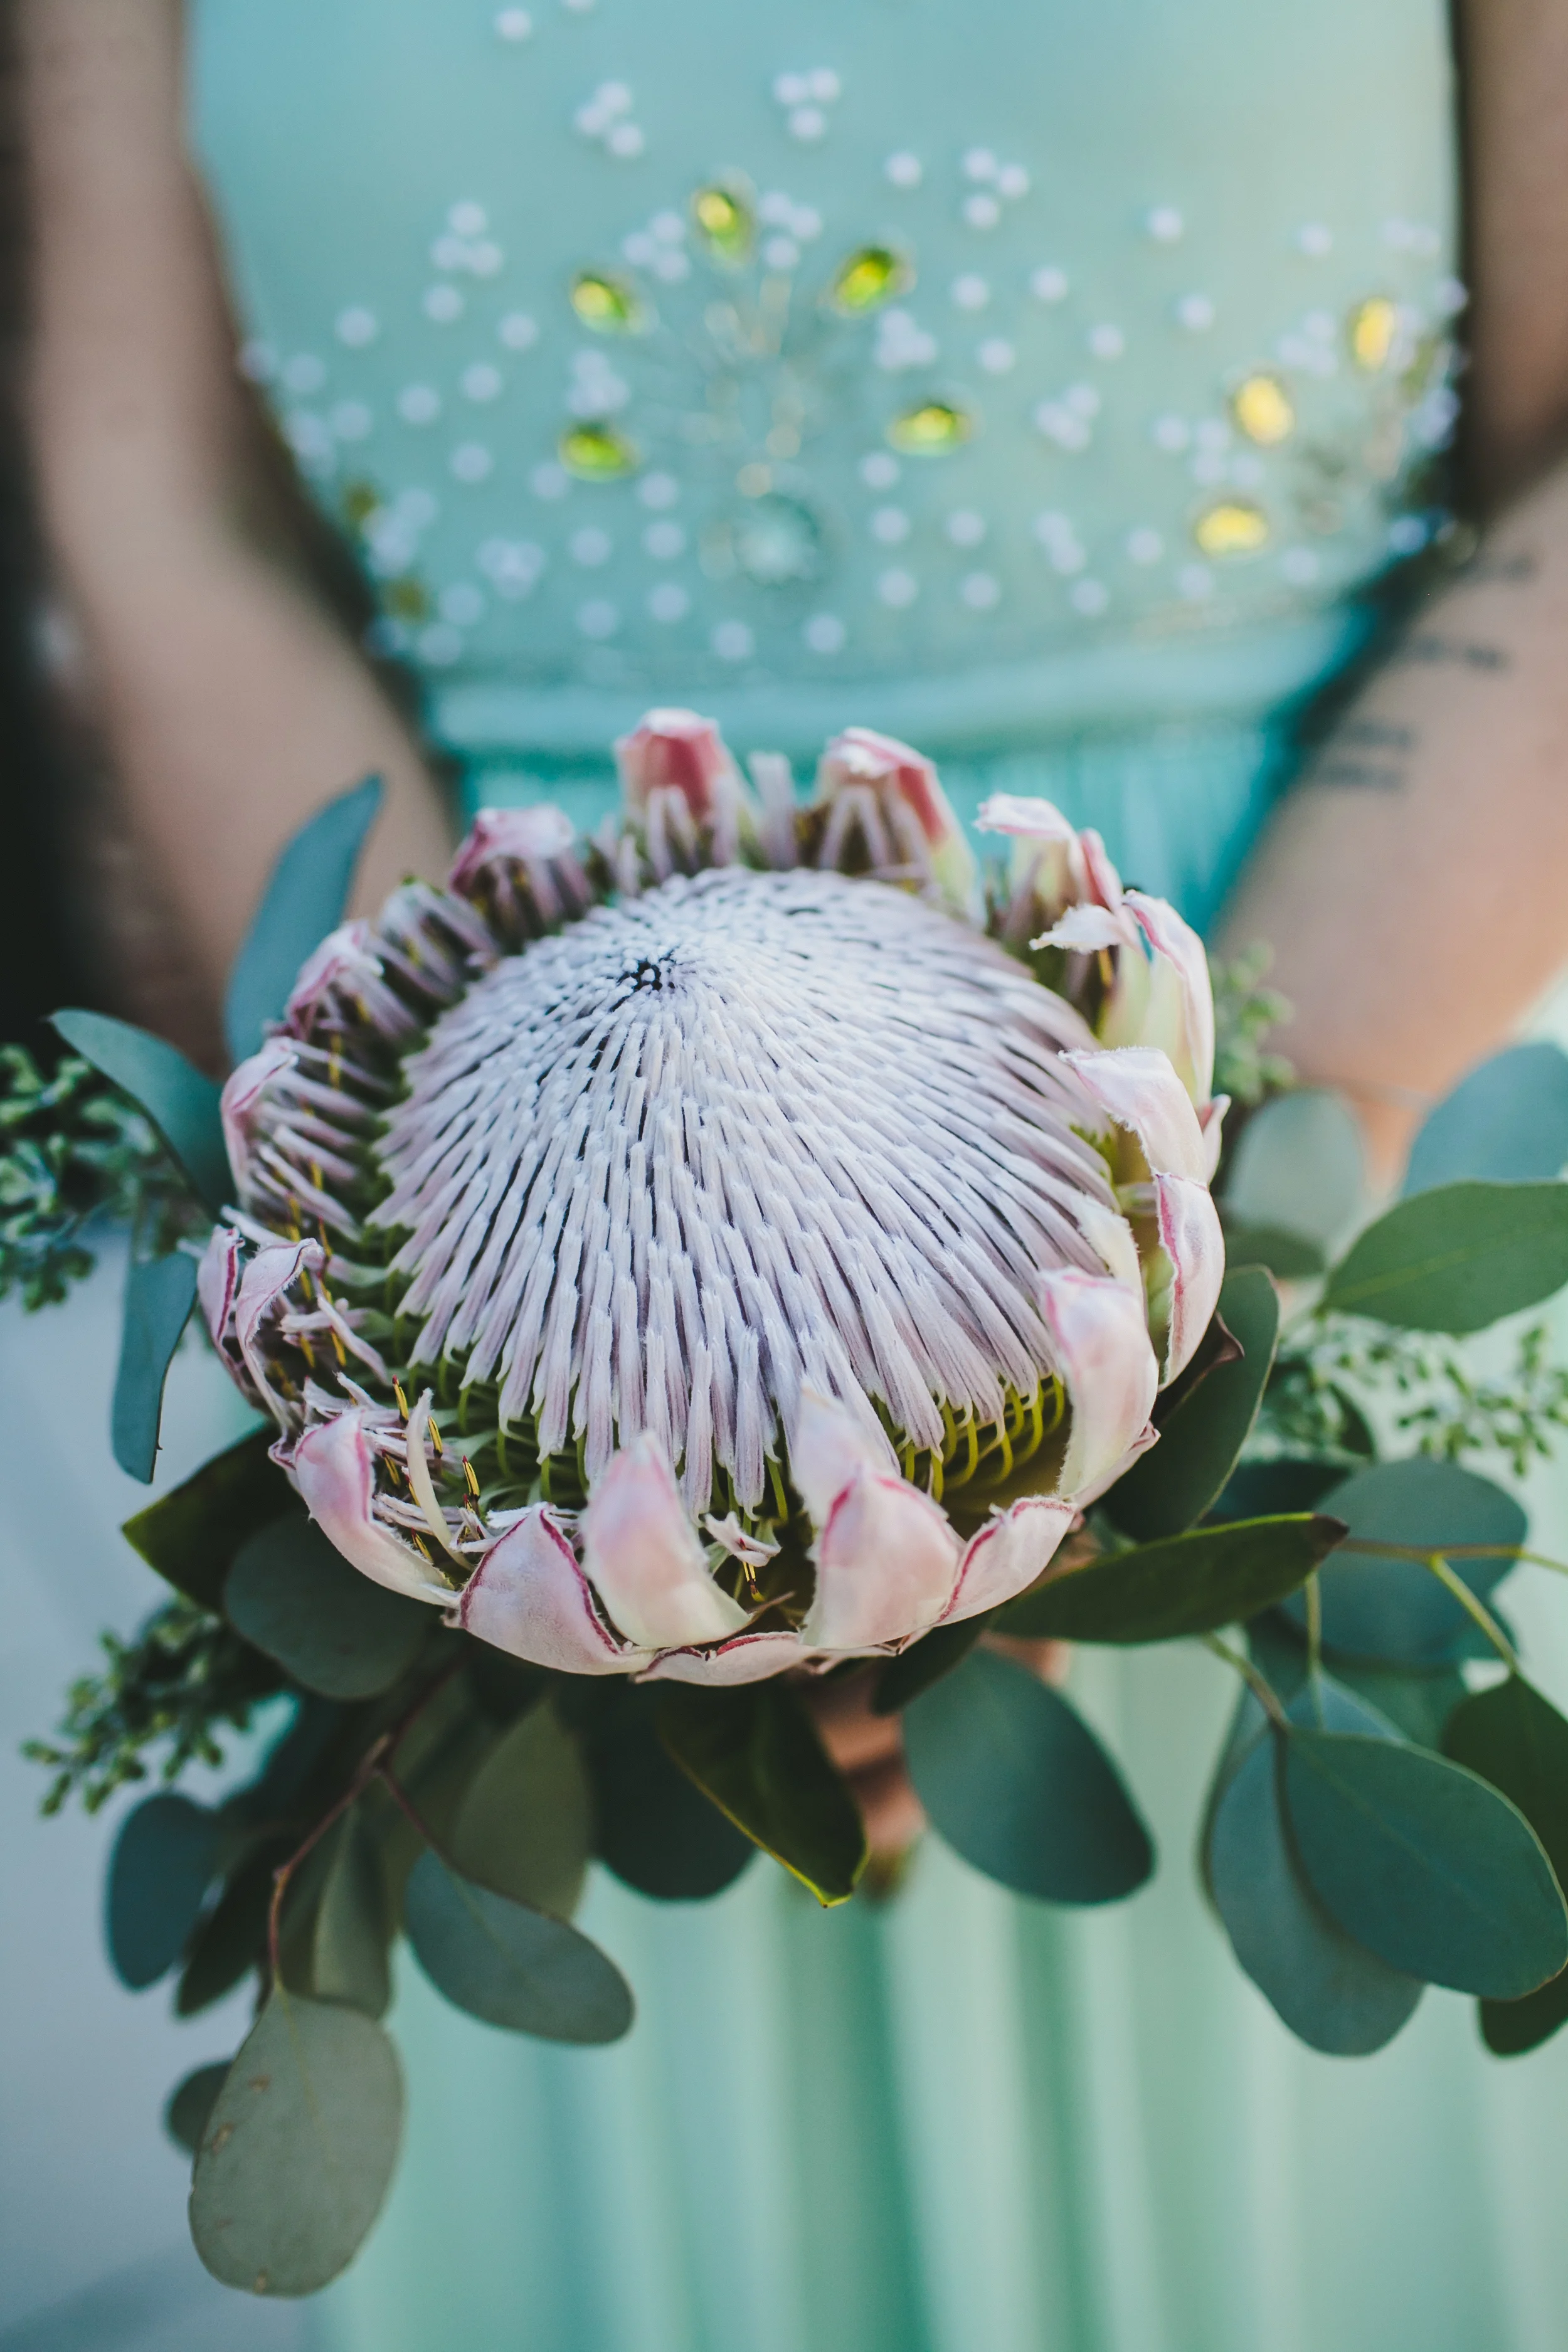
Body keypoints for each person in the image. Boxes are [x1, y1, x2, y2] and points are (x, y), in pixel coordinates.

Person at [11, 3, 1568, 2347]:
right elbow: (144, 476)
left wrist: (1142, 1283)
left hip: (1293, 1091)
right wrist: (466, 1337)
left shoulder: (1212, 1212)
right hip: (500, 1197)